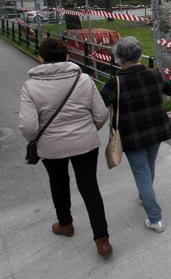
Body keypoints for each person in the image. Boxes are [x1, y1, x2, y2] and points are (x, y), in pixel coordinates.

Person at [19, 38, 112, 258]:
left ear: (41, 58)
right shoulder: (84, 80)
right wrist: (87, 130)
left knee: (58, 183)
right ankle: (102, 240)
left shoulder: (30, 86)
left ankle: (65, 224)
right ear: (67, 57)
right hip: (85, 144)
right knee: (90, 188)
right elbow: (101, 114)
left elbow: (29, 128)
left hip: (51, 148)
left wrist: (39, 137)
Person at [100, 37, 171, 233]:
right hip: (156, 130)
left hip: (131, 137)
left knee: (142, 174)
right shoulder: (154, 74)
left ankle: (155, 219)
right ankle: (145, 196)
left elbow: (100, 106)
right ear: (139, 54)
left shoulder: (114, 83)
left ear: (118, 58)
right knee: (148, 168)